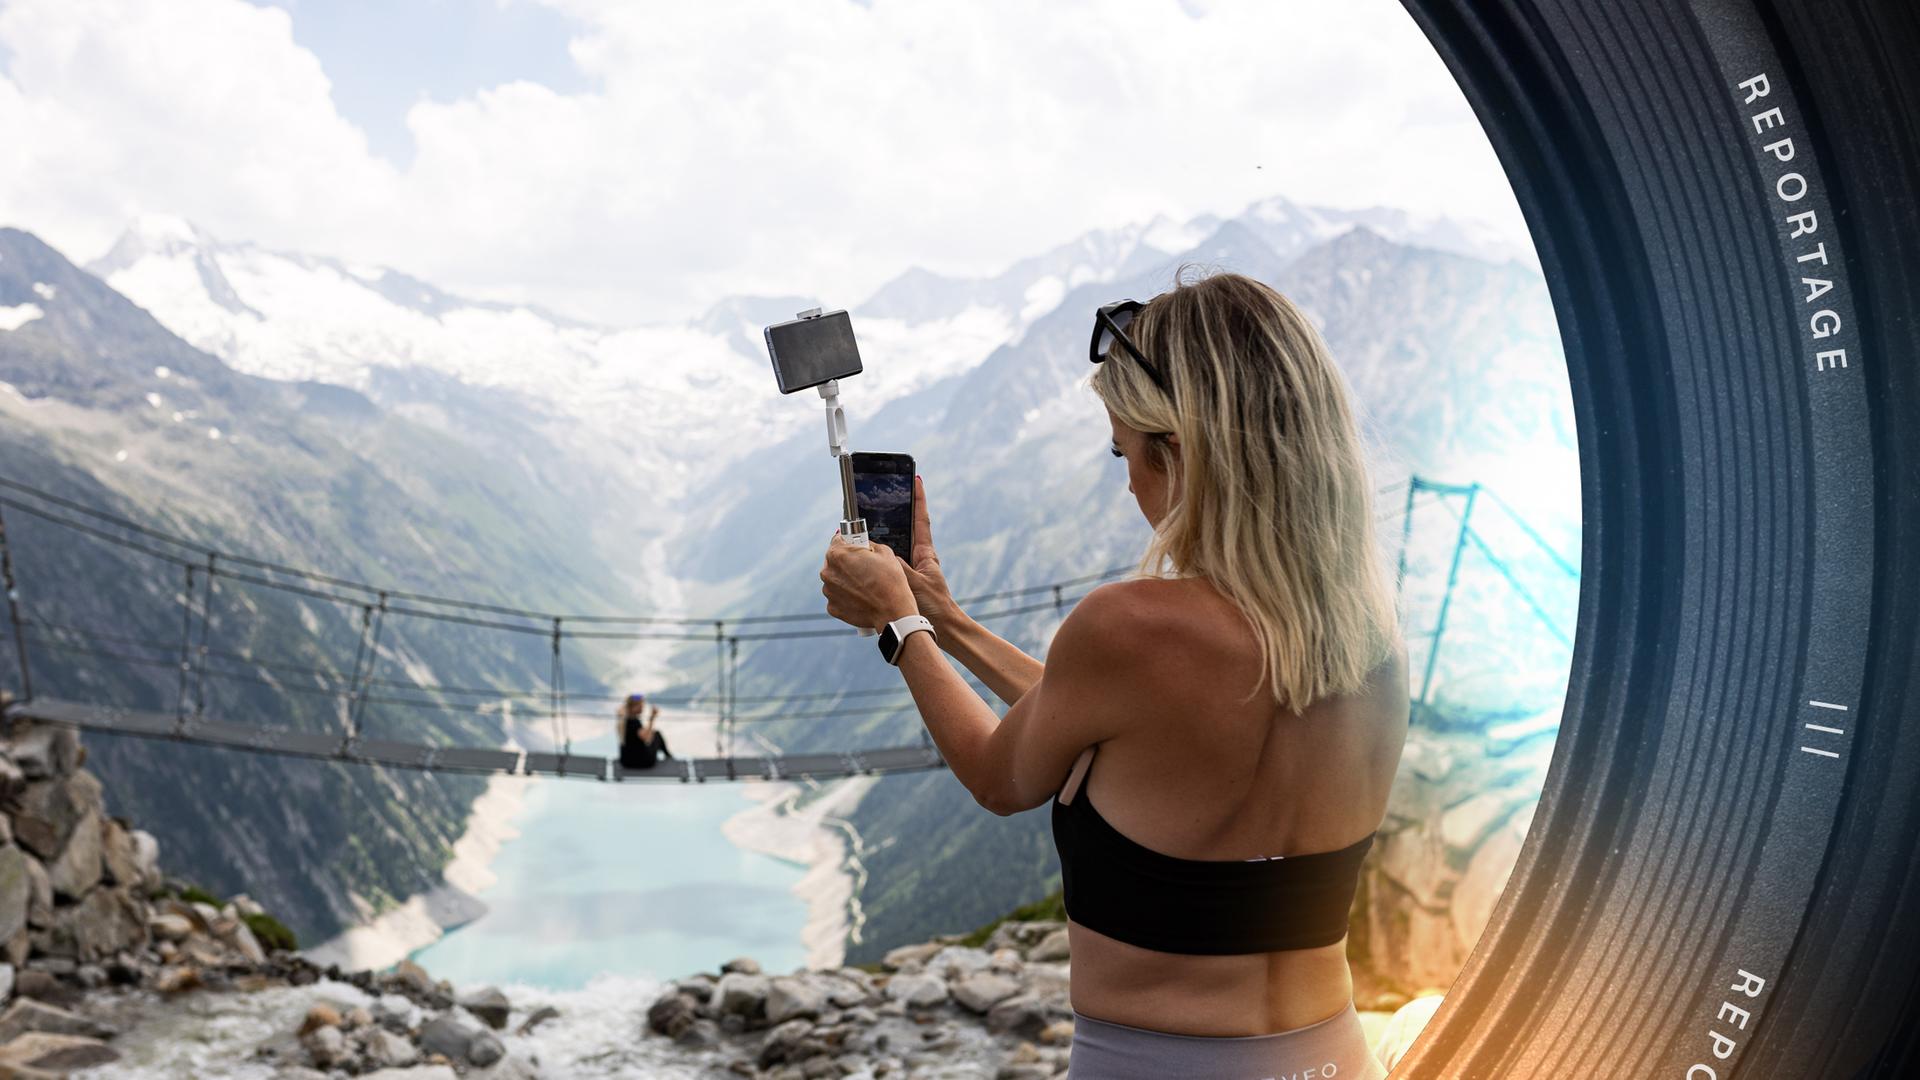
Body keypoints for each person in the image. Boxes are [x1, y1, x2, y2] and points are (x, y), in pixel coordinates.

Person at [820, 270, 1406, 1079]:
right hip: (1334, 1056)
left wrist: (899, 627)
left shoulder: (1128, 627)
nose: (1127, 478)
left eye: (1124, 450)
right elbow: (1133, 728)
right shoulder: (1368, 639)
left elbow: (1001, 775)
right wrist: (948, 624)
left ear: (1180, 452)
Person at [617, 694, 673, 770]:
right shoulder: (633, 722)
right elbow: (647, 738)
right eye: (640, 706)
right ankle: (669, 757)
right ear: (632, 707)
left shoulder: (623, 721)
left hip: (626, 762)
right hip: (642, 762)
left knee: (655, 734)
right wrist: (652, 718)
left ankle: (669, 756)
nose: (642, 708)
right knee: (657, 735)